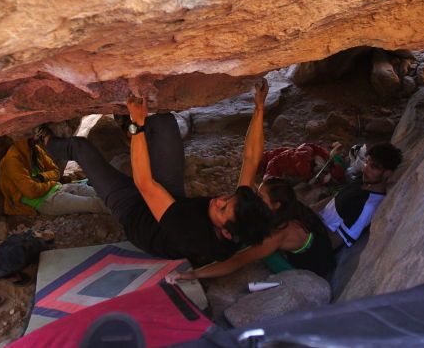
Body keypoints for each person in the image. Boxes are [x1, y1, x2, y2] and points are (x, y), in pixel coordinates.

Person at [39, 80, 273, 266]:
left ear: (225, 233)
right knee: (164, 122)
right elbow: (251, 159)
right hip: (172, 198)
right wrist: (260, 107)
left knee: (81, 147)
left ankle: (41, 139)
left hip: (135, 212)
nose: (218, 200)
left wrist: (137, 124)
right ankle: (128, 130)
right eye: (228, 198)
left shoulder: (191, 235)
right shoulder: (242, 214)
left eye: (222, 209)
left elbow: (145, 184)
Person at [166, 177, 335, 283]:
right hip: (321, 255)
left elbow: (238, 261)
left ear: (276, 206)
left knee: (252, 245)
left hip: (311, 275)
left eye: (260, 197)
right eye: (257, 192)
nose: (255, 199)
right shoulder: (290, 206)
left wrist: (192, 275)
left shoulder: (281, 231)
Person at [318, 142, 403, 247]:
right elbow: (335, 199)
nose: (365, 169)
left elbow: (335, 242)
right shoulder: (365, 181)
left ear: (387, 173)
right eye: (366, 162)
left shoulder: (368, 206)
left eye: (373, 167)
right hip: (315, 223)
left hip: (318, 238)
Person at [0, 137, 107, 216]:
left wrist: (42, 177)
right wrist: (51, 183)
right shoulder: (13, 160)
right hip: (43, 202)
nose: (38, 137)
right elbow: (31, 192)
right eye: (33, 134)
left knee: (91, 190)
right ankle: (123, 209)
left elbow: (56, 172)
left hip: (56, 188)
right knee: (92, 203)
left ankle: (119, 198)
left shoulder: (35, 149)